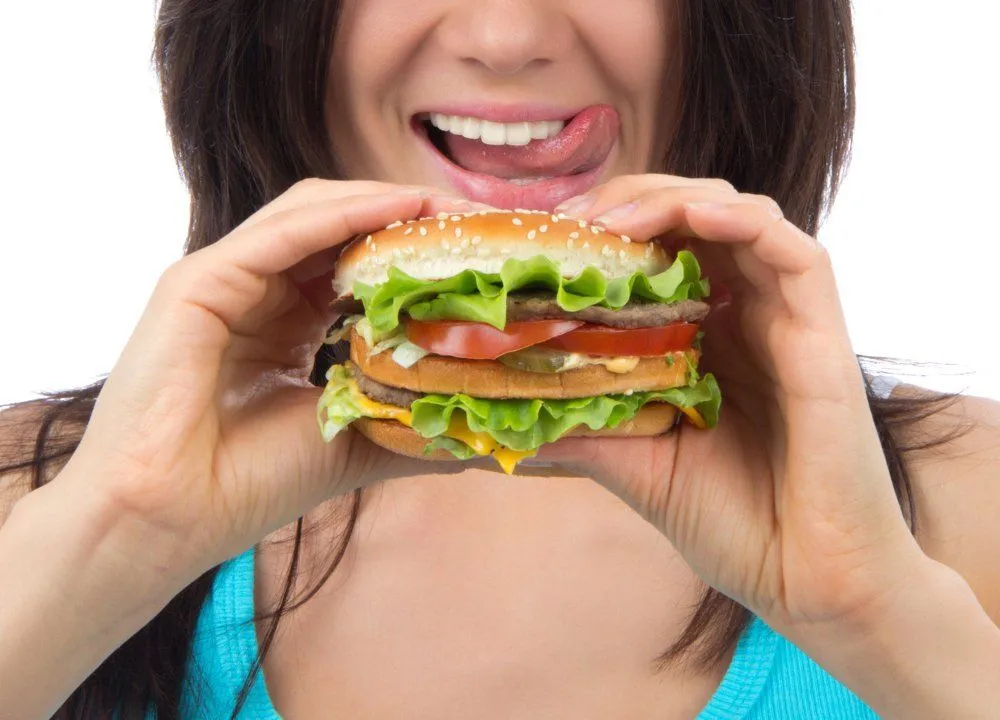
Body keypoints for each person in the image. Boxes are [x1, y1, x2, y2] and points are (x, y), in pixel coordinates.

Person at [2, 1, 999, 718]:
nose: (505, 39)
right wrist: (113, 550)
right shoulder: (36, 507)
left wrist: (878, 621)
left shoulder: (967, 505)